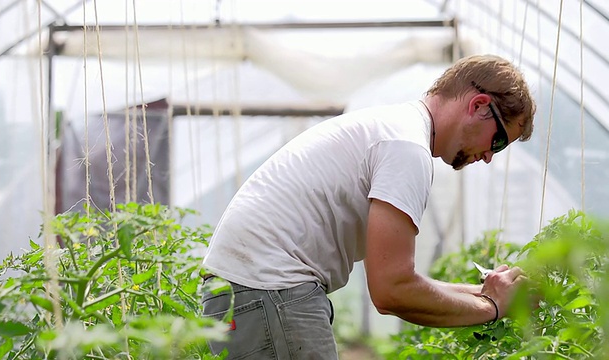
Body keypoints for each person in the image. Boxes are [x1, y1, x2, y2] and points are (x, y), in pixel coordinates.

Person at [200, 54, 536, 359]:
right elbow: (392, 290)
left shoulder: (396, 129)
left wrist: (484, 292)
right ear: (478, 105)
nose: (490, 156)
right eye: (497, 140)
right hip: (269, 289)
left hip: (250, 292)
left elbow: (400, 281)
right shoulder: (407, 149)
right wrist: (491, 307)